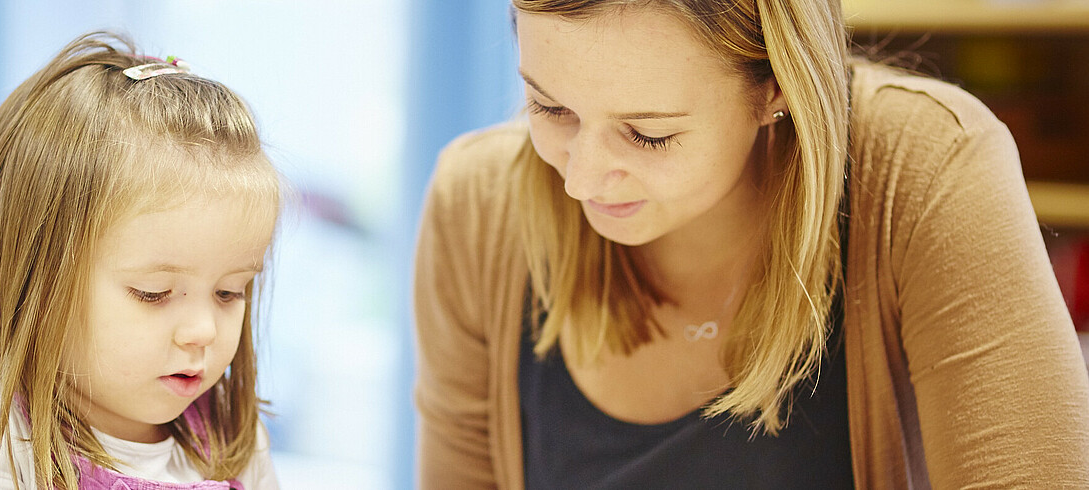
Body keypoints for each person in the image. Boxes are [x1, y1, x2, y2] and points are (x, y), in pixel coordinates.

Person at [412, 0, 1089, 488]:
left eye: (649, 134)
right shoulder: (479, 206)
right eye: (550, 107)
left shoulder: (926, 168)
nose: (582, 177)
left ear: (775, 87)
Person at [0, 32, 282, 489]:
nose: (203, 331)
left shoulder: (232, 433)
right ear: (37, 280)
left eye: (229, 292)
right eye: (154, 293)